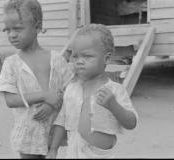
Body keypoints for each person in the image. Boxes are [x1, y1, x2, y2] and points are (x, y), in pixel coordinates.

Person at [46, 24, 139, 159]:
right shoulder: (71, 89)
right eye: (75, 56)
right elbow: (61, 120)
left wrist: (114, 106)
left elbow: (131, 123)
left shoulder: (115, 90)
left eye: (87, 56)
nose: (79, 61)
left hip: (101, 155)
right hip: (74, 152)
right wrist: (53, 149)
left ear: (106, 58)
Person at [0, 0, 73, 159]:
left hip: (53, 132)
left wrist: (52, 104)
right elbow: (10, 100)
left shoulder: (56, 59)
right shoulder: (11, 64)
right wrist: (45, 96)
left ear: (37, 27)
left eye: (18, 28)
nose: (11, 34)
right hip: (27, 133)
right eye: (7, 30)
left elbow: (70, 88)